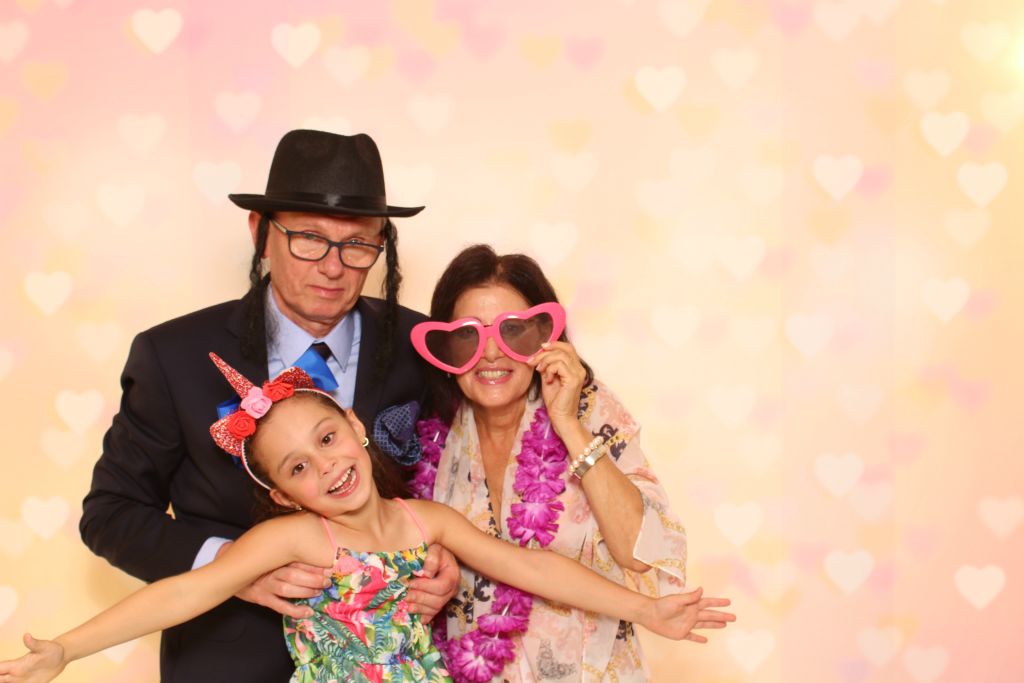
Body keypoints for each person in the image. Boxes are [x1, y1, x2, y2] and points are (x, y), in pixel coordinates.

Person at [0, 359, 735, 683]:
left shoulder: (427, 521)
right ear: (286, 497)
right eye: (298, 469)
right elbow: (185, 592)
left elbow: (532, 566)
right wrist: (66, 649)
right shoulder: (298, 538)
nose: (326, 467)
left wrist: (647, 609)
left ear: (355, 425)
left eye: (328, 439)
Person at [78, 130, 458, 682]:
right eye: (309, 238)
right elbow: (110, 514)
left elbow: (457, 478)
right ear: (261, 233)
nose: (333, 267)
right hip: (226, 661)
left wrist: (448, 561)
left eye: (357, 244)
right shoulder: (173, 355)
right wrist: (234, 566)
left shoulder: (419, 343)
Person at [408, 245, 700, 682]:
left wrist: (568, 425)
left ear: (546, 339)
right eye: (469, 335)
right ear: (446, 349)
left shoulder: (588, 409)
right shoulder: (432, 435)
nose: (491, 352)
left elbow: (637, 553)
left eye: (513, 331)